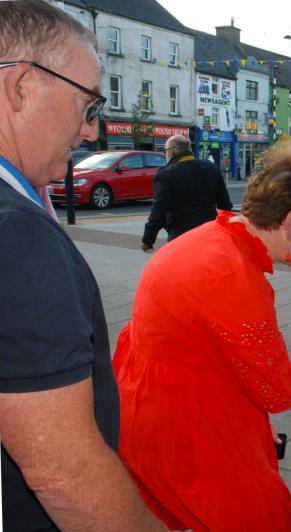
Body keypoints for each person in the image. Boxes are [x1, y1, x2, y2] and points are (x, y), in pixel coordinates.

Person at [113, 142, 291, 531]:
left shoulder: (211, 236)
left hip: (146, 402)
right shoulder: (234, 276)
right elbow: (282, 391)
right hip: (183, 424)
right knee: (263, 517)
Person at [0, 1, 165, 530]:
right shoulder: (19, 235)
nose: (91, 132)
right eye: (88, 104)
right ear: (21, 86)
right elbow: (64, 471)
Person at [141, 135, 232, 252]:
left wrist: (148, 240)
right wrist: (224, 230)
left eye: (166, 151)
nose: (165, 154)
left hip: (181, 236)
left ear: (172, 150)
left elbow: (159, 210)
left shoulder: (166, 174)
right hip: (209, 232)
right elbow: (225, 205)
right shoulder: (211, 168)